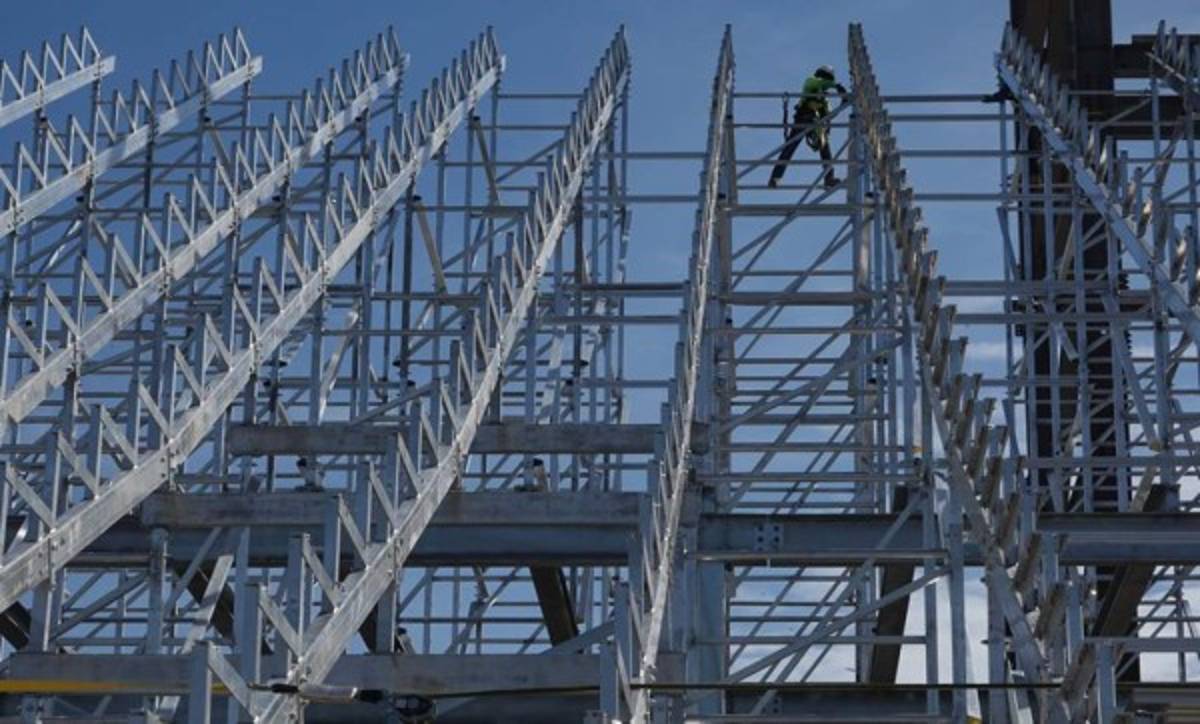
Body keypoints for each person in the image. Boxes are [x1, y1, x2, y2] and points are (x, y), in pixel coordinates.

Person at [768, 65, 847, 189]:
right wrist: (837, 86)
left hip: (816, 124)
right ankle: (775, 178)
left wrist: (843, 103)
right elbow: (819, 82)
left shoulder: (824, 101)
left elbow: (828, 116)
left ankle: (829, 178)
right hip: (804, 119)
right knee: (790, 147)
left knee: (824, 146)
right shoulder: (811, 82)